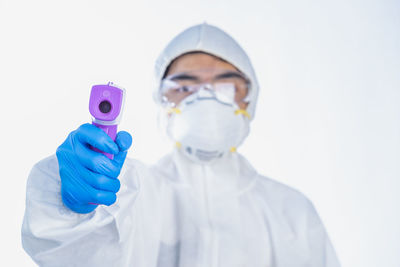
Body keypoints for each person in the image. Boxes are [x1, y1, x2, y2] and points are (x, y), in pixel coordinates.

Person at [21, 23, 341, 267]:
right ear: (162, 100)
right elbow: (74, 254)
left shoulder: (292, 212)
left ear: (249, 98)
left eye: (226, 85)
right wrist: (73, 208)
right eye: (184, 87)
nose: (205, 97)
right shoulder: (133, 192)